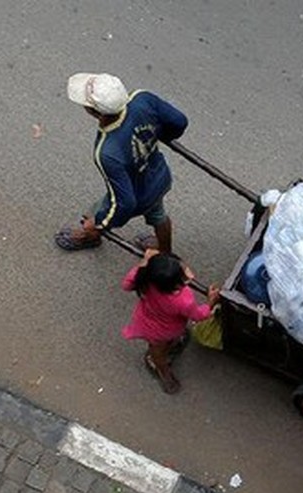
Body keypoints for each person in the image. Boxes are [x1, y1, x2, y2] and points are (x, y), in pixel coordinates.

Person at [58, 73, 188, 254]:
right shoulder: (142, 99)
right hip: (159, 176)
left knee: (95, 212)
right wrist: (157, 134)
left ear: (94, 111)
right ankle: (165, 251)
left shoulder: (107, 152)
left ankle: (91, 236)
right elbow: (179, 121)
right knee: (158, 215)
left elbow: (125, 203)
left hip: (137, 191)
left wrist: (98, 224)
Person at [121, 249, 219, 394]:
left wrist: (144, 262)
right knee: (158, 352)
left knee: (158, 346)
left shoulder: (146, 279)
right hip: (167, 330)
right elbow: (199, 316)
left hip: (147, 323)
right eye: (183, 274)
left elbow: (126, 284)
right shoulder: (183, 299)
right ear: (175, 285)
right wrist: (210, 302)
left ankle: (164, 361)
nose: (188, 273)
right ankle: (163, 371)